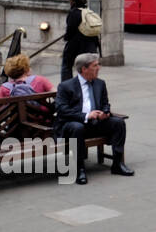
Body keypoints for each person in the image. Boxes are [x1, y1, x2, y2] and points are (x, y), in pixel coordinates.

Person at [54, 53, 133, 184]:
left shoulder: (100, 84)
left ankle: (117, 164)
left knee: (118, 123)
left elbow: (105, 103)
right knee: (77, 127)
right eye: (95, 65)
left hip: (95, 123)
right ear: (84, 69)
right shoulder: (65, 86)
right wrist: (86, 115)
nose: (99, 68)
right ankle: (79, 170)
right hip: (73, 125)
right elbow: (62, 110)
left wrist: (105, 112)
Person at [61, 0, 99, 85]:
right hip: (91, 46)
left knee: (66, 66)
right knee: (88, 67)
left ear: (73, 1)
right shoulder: (89, 12)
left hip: (76, 46)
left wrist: (66, 38)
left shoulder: (74, 13)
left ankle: (67, 86)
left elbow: (70, 31)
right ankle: (89, 85)